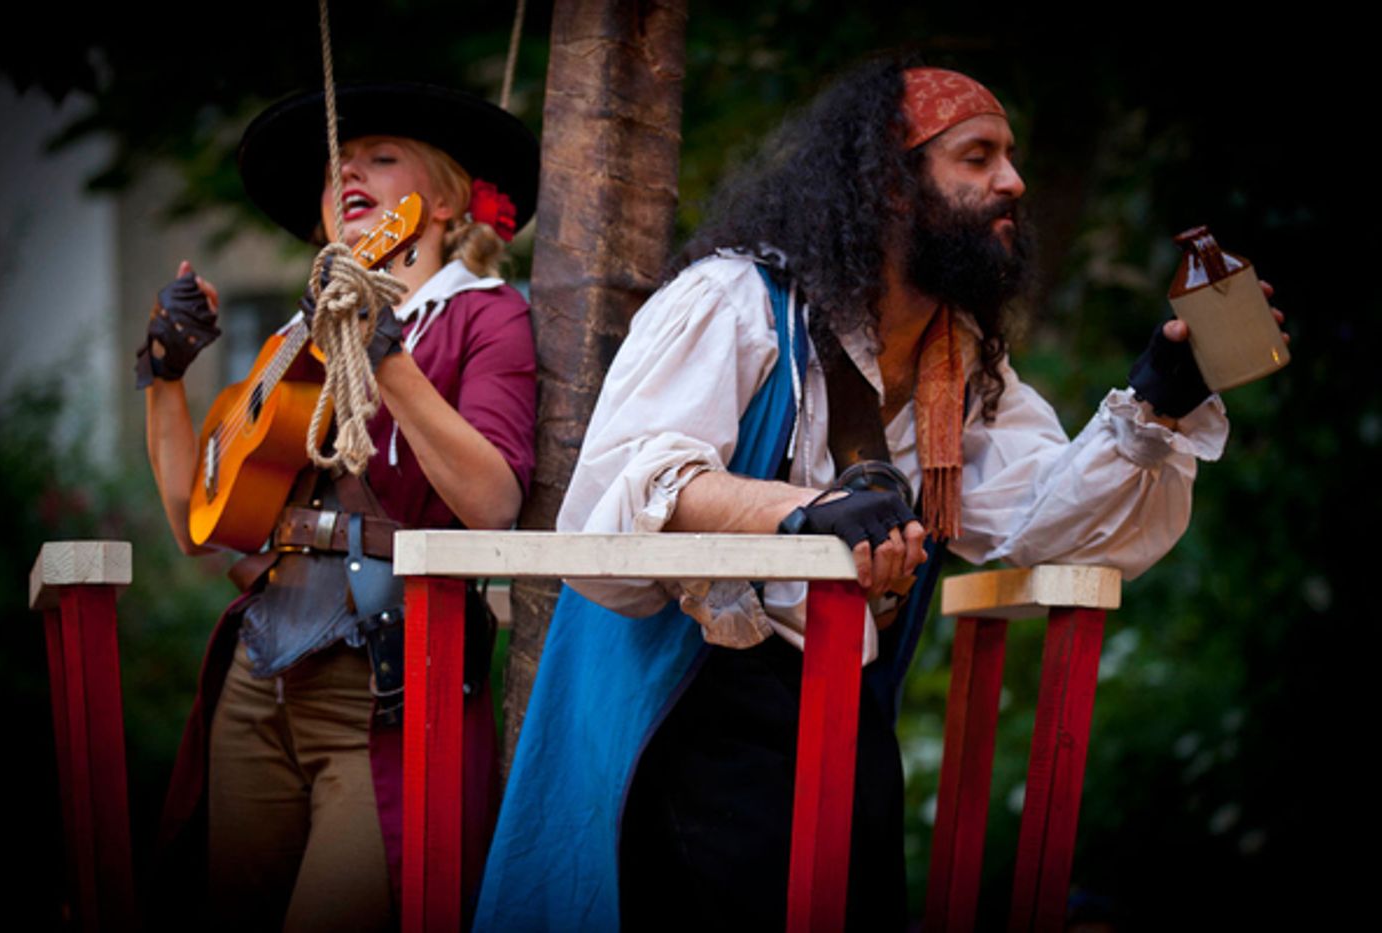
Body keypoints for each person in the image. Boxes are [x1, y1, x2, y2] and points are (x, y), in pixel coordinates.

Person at [474, 55, 1285, 931]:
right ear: (892, 186)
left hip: (845, 712)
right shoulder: (735, 301)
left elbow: (1046, 519)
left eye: (1009, 155)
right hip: (689, 710)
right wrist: (802, 514)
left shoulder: (961, 359)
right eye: (976, 157)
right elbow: (627, 485)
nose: (1012, 180)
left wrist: (1160, 394)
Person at [139, 83, 539, 931]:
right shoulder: (297, 339)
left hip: (388, 688)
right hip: (259, 676)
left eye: (380, 156)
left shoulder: (485, 315)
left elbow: (495, 501)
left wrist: (385, 354)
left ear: (444, 200)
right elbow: (193, 523)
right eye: (335, 166)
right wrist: (165, 380)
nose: (347, 168)